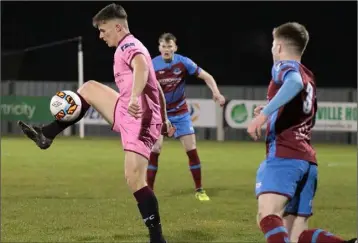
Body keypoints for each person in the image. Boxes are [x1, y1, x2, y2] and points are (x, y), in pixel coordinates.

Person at [17, 4, 170, 243]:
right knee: (88, 88)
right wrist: (166, 117)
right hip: (128, 110)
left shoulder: (129, 45)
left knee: (134, 179)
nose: (101, 35)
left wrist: (134, 98)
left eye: (103, 29)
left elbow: (140, 66)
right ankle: (47, 134)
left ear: (118, 26)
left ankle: (157, 238)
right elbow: (155, 83)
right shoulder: (129, 45)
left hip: (140, 118)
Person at [247, 22, 356, 243]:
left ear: (278, 47)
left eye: (272, 44)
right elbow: (301, 106)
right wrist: (271, 107)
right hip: (307, 162)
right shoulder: (309, 76)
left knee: (267, 216)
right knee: (296, 235)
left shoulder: (284, 67)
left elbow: (293, 83)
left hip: (286, 156)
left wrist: (263, 115)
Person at [146, 32, 226, 201]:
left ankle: (199, 190)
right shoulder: (152, 65)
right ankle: (149, 192)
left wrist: (216, 93)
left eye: (169, 46)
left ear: (175, 47)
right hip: (160, 114)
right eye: (163, 46)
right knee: (155, 149)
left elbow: (207, 76)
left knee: (191, 150)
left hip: (181, 113)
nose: (166, 49)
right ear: (159, 47)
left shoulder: (183, 62)